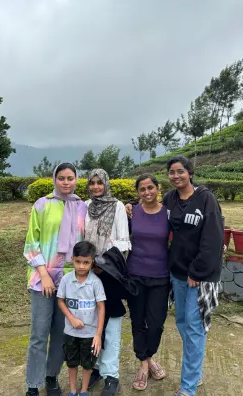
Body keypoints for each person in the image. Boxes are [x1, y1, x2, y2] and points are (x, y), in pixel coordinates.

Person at [24, 162, 87, 396]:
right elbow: (31, 244)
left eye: (70, 178)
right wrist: (44, 274)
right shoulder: (42, 205)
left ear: (76, 179)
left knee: (62, 334)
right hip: (44, 280)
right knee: (39, 334)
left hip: (71, 281)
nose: (66, 182)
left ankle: (51, 376)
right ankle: (33, 382)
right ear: (54, 179)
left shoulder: (82, 207)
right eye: (62, 178)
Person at [164, 156, 223, 396]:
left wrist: (197, 272)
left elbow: (213, 240)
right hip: (177, 273)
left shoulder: (206, 199)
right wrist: (129, 206)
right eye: (171, 172)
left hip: (200, 276)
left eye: (180, 171)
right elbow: (152, 213)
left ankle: (188, 388)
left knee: (195, 328)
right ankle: (195, 372)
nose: (176, 176)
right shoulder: (170, 199)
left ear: (190, 172)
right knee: (182, 323)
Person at [85, 168, 132, 396]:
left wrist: (102, 263)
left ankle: (111, 374)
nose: (95, 187)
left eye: (99, 183)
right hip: (87, 273)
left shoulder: (118, 206)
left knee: (111, 325)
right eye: (92, 183)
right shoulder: (86, 206)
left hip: (109, 274)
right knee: (92, 323)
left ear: (106, 183)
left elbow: (123, 242)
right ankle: (94, 368)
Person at [127, 173, 170, 391]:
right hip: (135, 274)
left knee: (155, 324)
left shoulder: (168, 213)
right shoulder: (131, 212)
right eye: (142, 189)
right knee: (137, 321)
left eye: (150, 187)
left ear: (158, 188)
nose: (147, 192)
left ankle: (149, 355)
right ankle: (144, 364)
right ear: (138, 192)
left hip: (161, 276)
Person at [57, 241, 106, 396]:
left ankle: (84, 391)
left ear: (92, 262)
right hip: (71, 333)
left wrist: (98, 335)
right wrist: (71, 318)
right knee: (71, 363)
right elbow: (60, 301)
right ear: (72, 259)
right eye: (78, 262)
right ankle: (72, 391)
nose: (81, 266)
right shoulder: (65, 280)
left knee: (87, 365)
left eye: (86, 263)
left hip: (89, 334)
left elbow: (101, 307)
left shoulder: (96, 283)